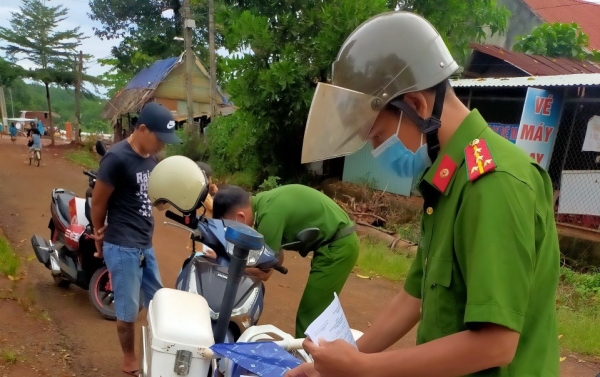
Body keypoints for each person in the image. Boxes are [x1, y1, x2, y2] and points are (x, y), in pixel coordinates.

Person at [287, 11, 560, 377]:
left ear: (415, 106)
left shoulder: (494, 183)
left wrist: (364, 368)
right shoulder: (448, 180)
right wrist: (331, 368)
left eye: (378, 136)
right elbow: (412, 299)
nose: (378, 149)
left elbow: (496, 344)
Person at [91, 102, 181, 377]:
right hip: (121, 245)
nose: (162, 147)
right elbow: (98, 202)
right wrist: (98, 233)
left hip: (144, 243)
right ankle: (129, 359)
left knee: (159, 302)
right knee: (128, 312)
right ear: (142, 129)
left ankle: (161, 355)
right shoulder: (116, 158)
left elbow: (150, 196)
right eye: (159, 139)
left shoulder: (151, 160)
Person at [212, 184, 359, 338]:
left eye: (230, 227)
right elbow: (277, 259)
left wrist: (225, 261)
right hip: (335, 241)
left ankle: (308, 359)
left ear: (240, 217)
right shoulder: (264, 204)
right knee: (315, 310)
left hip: (338, 246)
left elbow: (265, 272)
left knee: (311, 314)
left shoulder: (270, 216)